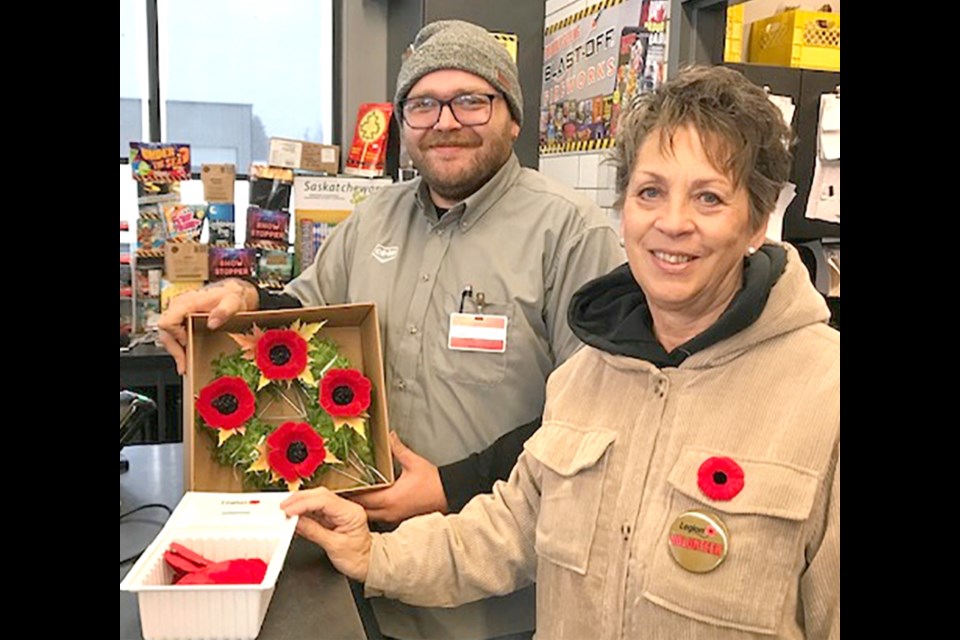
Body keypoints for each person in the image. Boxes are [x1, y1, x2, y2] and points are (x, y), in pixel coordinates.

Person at [281, 65, 840, 639]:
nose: (673, 223)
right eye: (650, 192)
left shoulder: (824, 394)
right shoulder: (589, 375)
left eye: (709, 197)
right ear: (624, 211)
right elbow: (508, 530)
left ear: (757, 221)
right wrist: (373, 554)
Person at [158, 19, 623, 640]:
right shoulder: (371, 219)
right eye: (423, 104)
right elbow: (307, 321)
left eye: (471, 99)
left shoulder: (571, 233)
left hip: (497, 598)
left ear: (512, 116)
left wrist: (450, 487)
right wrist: (243, 297)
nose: (445, 121)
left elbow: (597, 416)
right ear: (403, 122)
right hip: (360, 573)